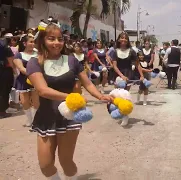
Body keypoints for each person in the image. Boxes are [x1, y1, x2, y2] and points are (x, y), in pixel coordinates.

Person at [26, 19, 113, 179]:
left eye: (60, 39)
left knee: (66, 162)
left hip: (69, 116)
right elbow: (42, 90)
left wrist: (101, 95)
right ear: (43, 40)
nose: (57, 43)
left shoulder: (72, 60)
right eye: (51, 38)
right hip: (46, 116)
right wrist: (72, 97)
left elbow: (87, 83)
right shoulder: (34, 62)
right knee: (45, 165)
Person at [111, 32, 144, 126]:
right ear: (118, 39)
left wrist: (141, 75)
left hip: (128, 75)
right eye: (122, 38)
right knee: (117, 96)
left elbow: (138, 64)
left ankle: (125, 116)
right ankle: (120, 113)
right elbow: (115, 66)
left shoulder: (131, 51)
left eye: (125, 38)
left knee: (124, 96)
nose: (123, 40)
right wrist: (121, 76)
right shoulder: (115, 51)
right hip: (118, 75)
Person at [13, 34, 39, 126]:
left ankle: (35, 121)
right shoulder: (19, 55)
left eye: (34, 42)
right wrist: (31, 74)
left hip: (36, 79)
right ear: (24, 43)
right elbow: (20, 68)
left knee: (36, 101)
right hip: (23, 80)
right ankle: (29, 120)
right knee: (24, 101)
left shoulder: (38, 54)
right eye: (31, 42)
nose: (33, 44)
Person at [0, 37, 15, 118]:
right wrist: (15, 71)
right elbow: (11, 61)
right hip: (5, 70)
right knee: (4, 91)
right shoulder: (4, 46)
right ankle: (2, 111)